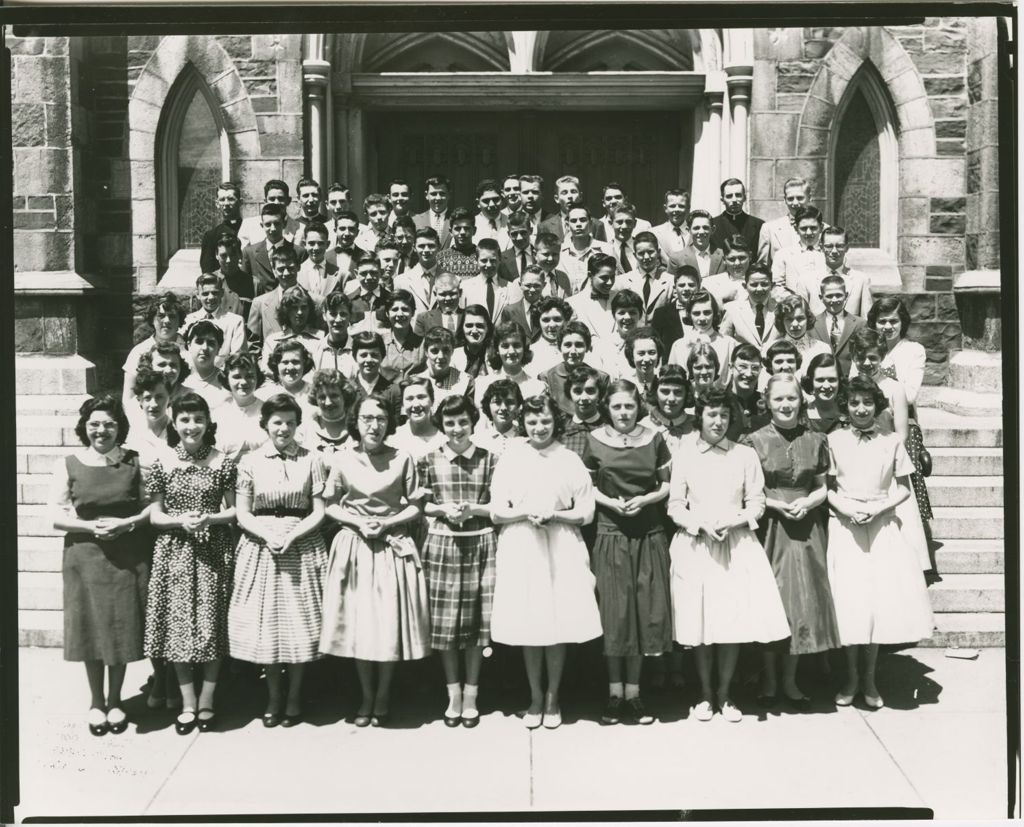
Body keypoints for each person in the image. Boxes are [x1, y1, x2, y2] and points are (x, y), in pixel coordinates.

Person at [667, 386, 791, 722]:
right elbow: (676, 505)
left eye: (724, 415)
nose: (718, 421)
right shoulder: (685, 454)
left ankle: (726, 695)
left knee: (730, 621)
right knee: (703, 624)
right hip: (697, 545)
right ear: (700, 417)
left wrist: (734, 521)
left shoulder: (744, 455)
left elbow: (757, 503)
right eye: (711, 414)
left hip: (735, 546)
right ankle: (705, 695)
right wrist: (701, 525)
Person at [490, 395, 603, 729]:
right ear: (523, 423)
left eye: (545, 421)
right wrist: (526, 513)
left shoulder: (568, 459)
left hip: (560, 545)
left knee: (557, 623)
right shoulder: (511, 457)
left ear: (556, 422)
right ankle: (535, 696)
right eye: (532, 421)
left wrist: (554, 514)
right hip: (523, 544)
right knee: (531, 621)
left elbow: (586, 511)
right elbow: (497, 510)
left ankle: (553, 697)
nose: (539, 428)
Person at [320, 396, 431, 726]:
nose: (374, 425)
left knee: (386, 626)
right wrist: (356, 522)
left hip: (390, 546)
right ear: (356, 421)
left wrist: (388, 522)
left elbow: (415, 505)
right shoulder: (343, 459)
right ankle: (365, 695)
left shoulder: (402, 458)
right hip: (354, 546)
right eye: (367, 418)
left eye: (381, 418)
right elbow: (330, 505)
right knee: (360, 626)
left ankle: (382, 694)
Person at [825, 376, 934, 709]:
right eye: (854, 402)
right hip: (845, 526)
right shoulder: (833, 440)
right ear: (846, 406)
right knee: (851, 603)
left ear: (877, 405)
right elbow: (827, 486)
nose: (861, 409)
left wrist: (877, 508)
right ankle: (851, 678)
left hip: (882, 524)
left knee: (876, 603)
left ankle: (870, 678)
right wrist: (846, 508)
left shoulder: (891, 442)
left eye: (867, 402)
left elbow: (903, 488)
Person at [50, 395, 151, 736]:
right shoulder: (69, 463)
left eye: (109, 423)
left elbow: (151, 507)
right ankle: (96, 702)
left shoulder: (134, 461)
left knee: (119, 626)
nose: (101, 430)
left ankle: (116, 700)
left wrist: (129, 524)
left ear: (119, 427)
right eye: (94, 423)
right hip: (85, 556)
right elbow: (55, 516)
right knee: (91, 629)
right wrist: (91, 527)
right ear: (85, 427)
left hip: (126, 554)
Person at [228, 394, 329, 727]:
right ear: (265, 424)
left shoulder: (312, 460)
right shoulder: (250, 461)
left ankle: (296, 695)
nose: (283, 428)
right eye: (276, 422)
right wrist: (267, 534)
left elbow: (319, 511)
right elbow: (242, 512)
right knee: (268, 625)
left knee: (300, 625)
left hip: (301, 542)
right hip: (262, 544)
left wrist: (293, 535)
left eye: (289, 422)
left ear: (297, 424)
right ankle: (273, 696)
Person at [743, 374, 841, 709]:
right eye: (779, 399)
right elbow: (747, 490)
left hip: (805, 528)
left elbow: (822, 486)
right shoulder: (753, 441)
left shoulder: (815, 439)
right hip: (770, 527)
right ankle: (769, 680)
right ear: (767, 402)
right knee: (772, 602)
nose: (785, 405)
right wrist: (775, 504)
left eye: (792, 399)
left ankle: (790, 680)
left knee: (802, 605)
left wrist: (808, 503)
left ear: (801, 401)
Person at [145, 392, 237, 734]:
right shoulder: (164, 461)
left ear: (207, 422)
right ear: (174, 422)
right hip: (176, 555)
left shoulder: (222, 462)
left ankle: (208, 699)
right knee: (179, 630)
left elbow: (234, 512)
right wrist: (181, 521)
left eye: (198, 419)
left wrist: (209, 519)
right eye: (184, 419)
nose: (191, 426)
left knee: (212, 626)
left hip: (213, 553)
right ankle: (187, 702)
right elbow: (155, 516)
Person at [582, 380, 672, 726]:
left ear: (639, 407)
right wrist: (613, 504)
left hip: (648, 532)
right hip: (611, 533)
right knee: (615, 615)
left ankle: (634, 694)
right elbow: (587, 486)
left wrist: (645, 499)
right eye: (617, 407)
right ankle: (614, 694)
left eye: (629, 407)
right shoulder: (595, 441)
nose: (623, 413)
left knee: (642, 612)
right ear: (608, 408)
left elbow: (665, 485)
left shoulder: (654, 438)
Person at [418, 396, 498, 727]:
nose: (457, 429)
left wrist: (472, 510)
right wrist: (443, 509)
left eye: (463, 422)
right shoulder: (428, 459)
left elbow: (497, 504)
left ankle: (471, 695)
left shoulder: (490, 459)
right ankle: (453, 693)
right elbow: (424, 504)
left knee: (478, 624)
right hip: (443, 545)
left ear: (473, 422)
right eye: (450, 423)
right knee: (446, 624)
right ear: (441, 425)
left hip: (480, 544)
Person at [848, 329, 932, 573]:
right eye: (861, 356)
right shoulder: (850, 387)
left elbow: (901, 434)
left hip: (887, 465)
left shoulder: (894, 388)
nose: (866, 363)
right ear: (854, 356)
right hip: (856, 463)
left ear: (882, 356)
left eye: (873, 357)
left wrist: (882, 459)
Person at [865, 296, 933, 538]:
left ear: (902, 323)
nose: (887, 327)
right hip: (868, 422)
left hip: (902, 425)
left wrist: (879, 378)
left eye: (893, 321)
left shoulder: (913, 351)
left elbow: (911, 393)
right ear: (873, 323)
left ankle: (913, 544)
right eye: (882, 321)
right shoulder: (867, 348)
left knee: (906, 486)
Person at [122, 293, 188, 410]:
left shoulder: (189, 350)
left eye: (172, 316)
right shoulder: (139, 351)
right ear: (152, 319)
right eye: (161, 316)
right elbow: (128, 399)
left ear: (179, 321)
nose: (166, 320)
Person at [540, 321, 608, 418]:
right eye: (568, 345)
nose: (573, 351)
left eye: (579, 345)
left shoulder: (601, 378)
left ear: (587, 347)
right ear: (559, 347)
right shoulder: (547, 377)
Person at [667, 289, 736, 385]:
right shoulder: (679, 346)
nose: (702, 318)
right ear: (689, 315)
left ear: (714, 313)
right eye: (696, 313)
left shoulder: (729, 344)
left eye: (707, 312)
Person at [474, 321, 545, 409]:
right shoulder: (482, 384)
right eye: (505, 346)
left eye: (516, 345)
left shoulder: (537, 387)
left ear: (524, 348)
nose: (511, 351)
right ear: (497, 349)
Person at [240, 203, 306, 296]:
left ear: (284, 224)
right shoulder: (249, 252)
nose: (273, 229)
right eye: (268, 224)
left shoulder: (299, 252)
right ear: (261, 225)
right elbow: (245, 286)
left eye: (277, 223)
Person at [182, 273, 246, 368]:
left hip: (223, 377)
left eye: (215, 293)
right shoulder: (188, 321)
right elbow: (184, 354)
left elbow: (238, 357)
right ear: (198, 295)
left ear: (222, 293)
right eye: (205, 294)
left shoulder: (235, 322)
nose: (210, 297)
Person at [213, 352, 267, 461]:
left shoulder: (268, 412)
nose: (243, 382)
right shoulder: (218, 414)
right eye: (237, 377)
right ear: (227, 379)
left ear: (258, 378)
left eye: (249, 376)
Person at [260, 286, 324, 377]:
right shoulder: (272, 341)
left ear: (310, 310)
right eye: (294, 308)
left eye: (304, 307)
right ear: (286, 311)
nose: (299, 312)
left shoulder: (321, 338)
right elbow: (266, 371)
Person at [812, 274, 867, 378]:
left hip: (850, 381)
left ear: (846, 295)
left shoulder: (860, 324)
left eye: (838, 295)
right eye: (829, 296)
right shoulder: (812, 324)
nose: (834, 300)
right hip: (823, 381)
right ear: (821, 297)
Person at [409, 326, 475, 411]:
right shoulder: (415, 382)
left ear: (452, 351)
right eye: (434, 351)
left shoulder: (466, 381)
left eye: (446, 350)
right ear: (426, 352)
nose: (440, 356)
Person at [613, 231, 674, 324]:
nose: (646, 257)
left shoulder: (670, 281)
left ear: (658, 253)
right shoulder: (623, 281)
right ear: (635, 255)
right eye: (641, 253)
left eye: (650, 252)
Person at [812, 225, 873, 316]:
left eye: (840, 246)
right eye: (829, 246)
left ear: (847, 248)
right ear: (821, 247)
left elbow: (866, 318)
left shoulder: (861, 280)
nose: (834, 251)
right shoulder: (807, 280)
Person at [719, 267, 780, 353]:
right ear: (745, 286)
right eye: (754, 285)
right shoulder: (732, 309)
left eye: (764, 284)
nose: (759, 289)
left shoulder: (780, 308)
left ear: (772, 286)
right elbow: (724, 342)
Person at [297, 368, 357, 456]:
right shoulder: (304, 431)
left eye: (334, 396)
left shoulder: (357, 429)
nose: (328, 403)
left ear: (345, 395)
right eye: (322, 397)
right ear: (315, 398)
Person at [771, 205, 826, 300]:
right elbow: (776, 287)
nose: (809, 233)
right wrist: (796, 302)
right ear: (796, 229)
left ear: (821, 228)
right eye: (804, 229)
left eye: (813, 228)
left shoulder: (829, 254)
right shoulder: (783, 255)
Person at [640, 364, 697, 454]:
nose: (671, 399)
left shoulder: (697, 426)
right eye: (665, 392)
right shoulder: (644, 427)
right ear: (655, 392)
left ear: (686, 394)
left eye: (678, 392)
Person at [462, 238, 523, 322]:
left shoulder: (511, 288)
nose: (489, 265)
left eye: (493, 260)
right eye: (484, 260)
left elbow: (516, 320)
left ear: (500, 259)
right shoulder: (465, 287)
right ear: (476, 260)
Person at [757, 176, 813, 268]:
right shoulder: (770, 229)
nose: (795, 203)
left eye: (800, 198)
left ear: (809, 198)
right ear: (784, 200)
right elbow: (763, 267)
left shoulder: (823, 228)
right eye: (790, 199)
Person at [349, 331, 403, 423]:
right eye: (363, 355)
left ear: (382, 357)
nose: (369, 360)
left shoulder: (394, 392)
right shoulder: (347, 389)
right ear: (355, 357)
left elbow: (396, 428)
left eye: (374, 355)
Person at [388, 376, 446, 461]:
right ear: (402, 405)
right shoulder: (393, 440)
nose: (416, 405)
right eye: (409, 399)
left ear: (432, 400)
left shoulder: (445, 437)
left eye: (421, 397)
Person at [773, 293, 831, 378]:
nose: (795, 324)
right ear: (782, 321)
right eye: (789, 319)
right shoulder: (770, 348)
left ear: (808, 318)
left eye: (800, 318)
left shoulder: (822, 349)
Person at [258, 339, 316, 421]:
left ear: (304, 363)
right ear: (276, 364)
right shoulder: (264, 395)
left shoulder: (315, 393)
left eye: (295, 362)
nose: (290, 367)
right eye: (285, 362)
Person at [560, 203, 613, 293]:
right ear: (567, 225)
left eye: (583, 220)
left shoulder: (607, 249)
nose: (578, 224)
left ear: (591, 223)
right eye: (573, 221)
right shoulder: (559, 252)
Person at [559, 365, 609, 459]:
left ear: (599, 393)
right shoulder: (561, 428)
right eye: (577, 391)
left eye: (590, 391)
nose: (584, 398)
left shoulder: (608, 427)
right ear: (569, 393)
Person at [593, 288, 644, 380]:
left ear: (640, 315)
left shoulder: (647, 343)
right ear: (614, 315)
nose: (627, 317)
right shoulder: (601, 345)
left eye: (632, 312)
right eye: (621, 313)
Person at [180, 320, 231, 411]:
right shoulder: (180, 379)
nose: (204, 348)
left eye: (211, 343)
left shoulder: (227, 381)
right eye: (199, 342)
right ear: (189, 345)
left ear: (218, 348)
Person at [567, 253, 617, 342]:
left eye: (612, 277)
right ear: (590, 275)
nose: (610, 282)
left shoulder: (620, 298)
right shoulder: (572, 303)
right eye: (604, 278)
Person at [651, 266, 701, 352]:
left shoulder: (706, 312)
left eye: (691, 285)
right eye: (681, 285)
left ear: (698, 287)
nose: (686, 289)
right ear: (674, 289)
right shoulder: (661, 314)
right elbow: (655, 346)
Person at [393, 227, 441, 315]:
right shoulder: (401, 281)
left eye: (431, 246)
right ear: (414, 248)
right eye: (421, 246)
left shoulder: (452, 279)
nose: (426, 250)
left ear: (439, 247)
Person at [310, 291, 358, 378]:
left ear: (350, 316)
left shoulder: (357, 349)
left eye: (343, 314)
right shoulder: (315, 350)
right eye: (333, 314)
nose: (338, 319)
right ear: (324, 315)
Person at [378, 289, 424, 380]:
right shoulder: (379, 343)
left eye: (405, 309)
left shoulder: (423, 344)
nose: (400, 314)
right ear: (387, 313)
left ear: (413, 313)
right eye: (394, 309)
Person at [473, 378, 524, 458]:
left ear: (518, 406)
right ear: (487, 405)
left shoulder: (525, 438)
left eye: (509, 402)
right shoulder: (477, 440)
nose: (503, 408)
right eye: (497, 402)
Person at [712, 178, 765, 252]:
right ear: (722, 200)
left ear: (744, 198)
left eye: (738, 195)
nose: (734, 200)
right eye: (729, 196)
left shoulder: (759, 225)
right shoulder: (712, 225)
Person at [671, 209, 726, 278]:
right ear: (688, 230)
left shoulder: (724, 256)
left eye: (705, 228)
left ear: (712, 230)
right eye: (696, 228)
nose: (701, 232)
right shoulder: (677, 259)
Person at [526, 296, 573, 377]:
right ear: (538, 322)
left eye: (557, 319)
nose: (551, 325)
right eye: (546, 320)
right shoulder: (531, 352)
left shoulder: (575, 349)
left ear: (566, 321)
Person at [701, 234, 753, 307]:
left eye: (742, 258)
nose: (737, 263)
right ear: (724, 260)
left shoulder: (760, 282)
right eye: (732, 259)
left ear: (750, 257)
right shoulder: (710, 284)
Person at [297, 221, 341, 307]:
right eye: (311, 243)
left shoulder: (340, 274)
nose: (316, 248)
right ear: (304, 244)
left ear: (327, 244)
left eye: (320, 243)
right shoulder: (296, 272)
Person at [803, 353, 848, 434]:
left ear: (840, 381)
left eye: (832, 379)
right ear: (811, 382)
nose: (826, 386)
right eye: (820, 380)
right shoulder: (802, 417)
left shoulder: (849, 414)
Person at [411, 272, 464, 337]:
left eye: (452, 294)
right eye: (443, 294)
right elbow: (417, 345)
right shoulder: (424, 319)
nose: (448, 298)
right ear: (435, 294)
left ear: (460, 293)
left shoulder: (468, 316)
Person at [437, 208, 482, 280]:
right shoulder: (441, 258)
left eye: (466, 228)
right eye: (457, 228)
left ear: (474, 230)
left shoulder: (482, 256)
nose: (462, 232)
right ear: (450, 231)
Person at [451, 304, 493, 378]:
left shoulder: (494, 356)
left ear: (488, 328)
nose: (474, 331)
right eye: (469, 325)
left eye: (480, 326)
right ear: (462, 328)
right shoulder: (453, 356)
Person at [650, 187, 691, 261]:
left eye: (681, 206)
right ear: (665, 208)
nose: (676, 209)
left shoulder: (695, 232)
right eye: (672, 206)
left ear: (688, 208)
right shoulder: (654, 233)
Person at [413, 175, 453, 250]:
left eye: (442, 194)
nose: (438, 198)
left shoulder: (455, 220)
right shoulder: (416, 220)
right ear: (426, 195)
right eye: (433, 194)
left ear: (449, 195)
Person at [623, 326, 664, 399]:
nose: (647, 359)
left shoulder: (664, 387)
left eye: (652, 352)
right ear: (632, 356)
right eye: (641, 353)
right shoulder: (624, 388)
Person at [472, 178, 512, 250]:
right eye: (486, 201)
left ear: (502, 199)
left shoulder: (511, 222)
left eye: (496, 199)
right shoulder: (471, 225)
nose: (492, 205)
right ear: (478, 203)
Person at [498, 211, 535, 282]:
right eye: (514, 234)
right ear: (509, 234)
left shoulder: (540, 255)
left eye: (523, 232)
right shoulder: (501, 259)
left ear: (531, 231)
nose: (519, 238)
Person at [686, 344, 721, 411]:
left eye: (708, 367)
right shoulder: (685, 400)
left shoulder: (723, 399)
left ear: (716, 368)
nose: (704, 372)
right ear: (691, 370)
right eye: (698, 367)